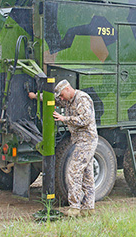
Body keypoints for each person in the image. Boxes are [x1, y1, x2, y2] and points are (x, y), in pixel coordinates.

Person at [29, 79, 98, 217]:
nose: (61, 98)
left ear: (67, 89)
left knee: (73, 172)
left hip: (86, 141)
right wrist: (36, 96)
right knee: (87, 175)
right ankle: (88, 208)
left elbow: (86, 119)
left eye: (61, 95)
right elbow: (53, 99)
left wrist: (64, 118)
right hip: (81, 141)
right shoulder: (68, 99)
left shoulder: (82, 99)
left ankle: (74, 208)